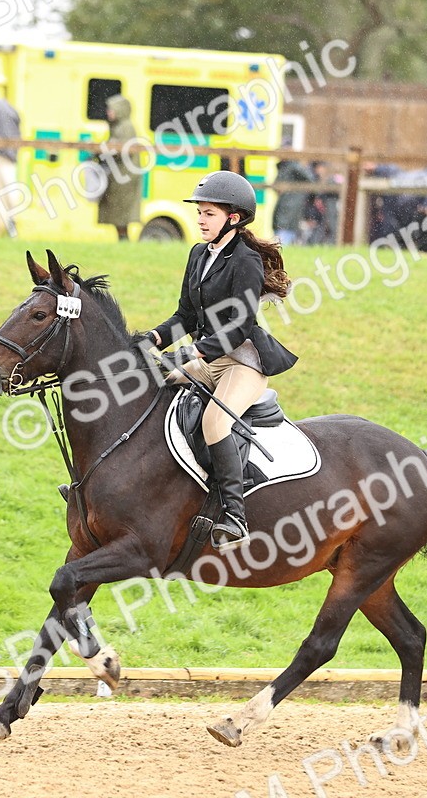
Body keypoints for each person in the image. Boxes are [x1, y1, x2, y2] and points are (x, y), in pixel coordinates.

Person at [145, 171, 298, 550]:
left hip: (241, 365)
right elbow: (184, 315)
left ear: (233, 218)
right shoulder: (198, 253)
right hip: (208, 360)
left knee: (215, 422)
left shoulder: (246, 261)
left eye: (208, 213)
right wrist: (151, 338)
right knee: (142, 382)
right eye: (199, 212)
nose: (199, 219)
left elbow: (239, 326)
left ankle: (235, 515)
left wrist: (190, 352)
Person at [97, 93, 141, 241]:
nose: (109, 112)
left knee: (122, 212)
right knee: (118, 212)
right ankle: (122, 238)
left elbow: (122, 151)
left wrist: (103, 151)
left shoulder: (126, 127)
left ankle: (124, 239)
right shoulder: (118, 127)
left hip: (125, 176)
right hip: (119, 175)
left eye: (112, 109)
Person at [271, 157, 314, 245]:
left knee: (283, 237)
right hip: (286, 214)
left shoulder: (291, 167)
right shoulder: (287, 167)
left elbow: (310, 180)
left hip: (288, 214)